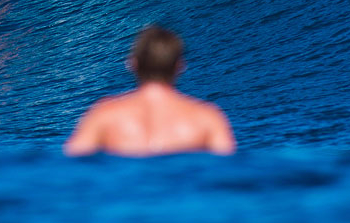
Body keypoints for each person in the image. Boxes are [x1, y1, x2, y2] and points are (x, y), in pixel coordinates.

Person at [64, 25, 235, 157]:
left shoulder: (105, 114)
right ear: (179, 66)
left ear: (133, 64)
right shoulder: (207, 118)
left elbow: (73, 165)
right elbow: (227, 175)